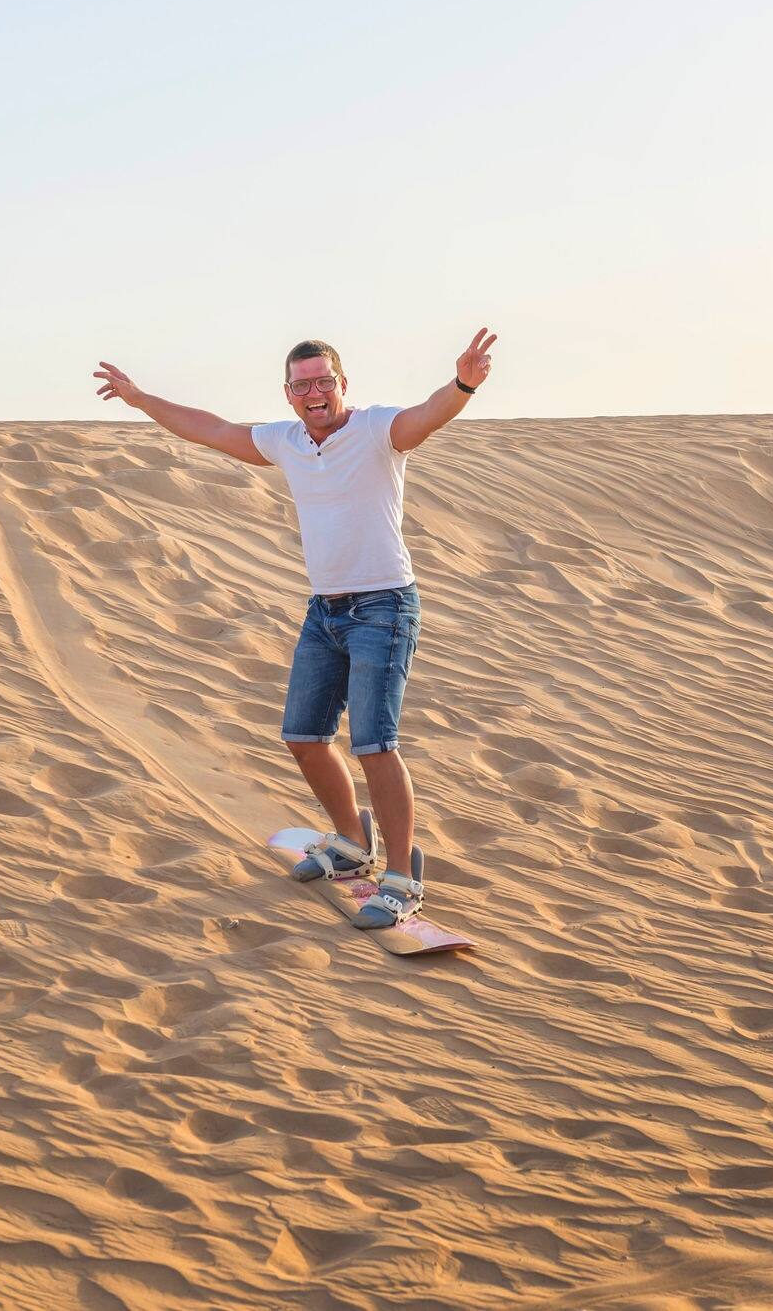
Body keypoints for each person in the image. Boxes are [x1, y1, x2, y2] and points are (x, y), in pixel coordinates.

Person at [91, 329, 497, 927]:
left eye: (323, 382)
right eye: (302, 384)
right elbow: (210, 429)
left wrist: (462, 383)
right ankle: (352, 845)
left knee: (374, 744)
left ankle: (404, 879)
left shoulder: (377, 431)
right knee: (304, 737)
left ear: (342, 385)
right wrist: (139, 398)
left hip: (383, 607)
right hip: (325, 610)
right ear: (289, 394)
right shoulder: (285, 442)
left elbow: (427, 416)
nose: (314, 393)